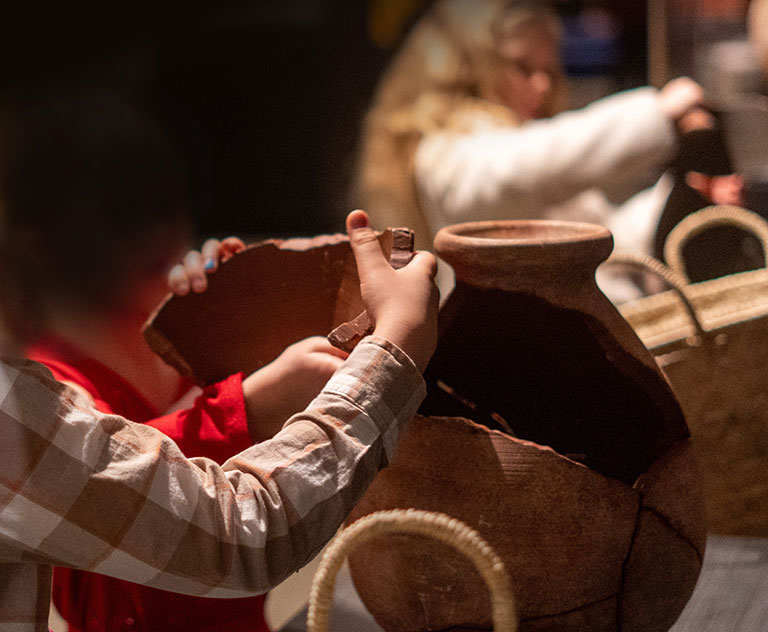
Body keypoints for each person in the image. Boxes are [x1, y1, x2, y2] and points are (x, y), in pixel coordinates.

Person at [0, 89, 439, 631]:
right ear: (40, 242)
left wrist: (239, 317)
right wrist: (245, 404)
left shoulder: (179, 336)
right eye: (122, 215)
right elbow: (155, 512)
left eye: (168, 202)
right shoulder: (44, 381)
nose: (160, 229)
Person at [353, 0, 707, 299]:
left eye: (548, 70)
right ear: (465, 65)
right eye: (524, 67)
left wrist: (682, 203)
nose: (542, 84)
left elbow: (598, 232)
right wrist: (656, 112)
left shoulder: (522, 138)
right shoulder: (443, 152)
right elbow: (515, 169)